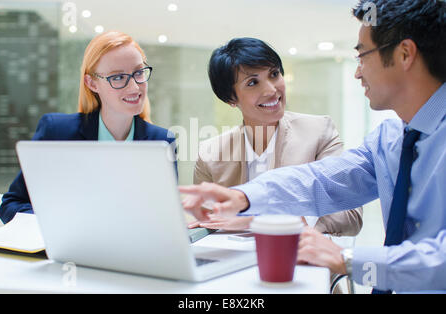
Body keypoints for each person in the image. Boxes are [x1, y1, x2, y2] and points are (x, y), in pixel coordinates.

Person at [180, 0, 446, 293]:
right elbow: (320, 180)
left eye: (362, 56)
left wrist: (346, 259)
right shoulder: (389, 140)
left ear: (404, 54)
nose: (358, 73)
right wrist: (243, 197)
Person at [189, 37, 362, 237]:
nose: (271, 90)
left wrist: (256, 221)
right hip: (233, 262)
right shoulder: (210, 154)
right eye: (253, 82)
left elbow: (351, 214)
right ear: (230, 98)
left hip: (299, 256)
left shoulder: (319, 132)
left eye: (274, 74)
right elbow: (207, 222)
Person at [0, 31, 175, 224]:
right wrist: (60, 225)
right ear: (92, 83)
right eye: (117, 77)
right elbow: (12, 204)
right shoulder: (57, 132)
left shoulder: (162, 142)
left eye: (139, 73)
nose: (134, 87)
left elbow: (164, 218)